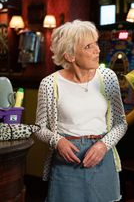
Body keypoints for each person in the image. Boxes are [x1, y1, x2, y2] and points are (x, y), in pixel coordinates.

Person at [35, 20, 127, 202]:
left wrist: (103, 145)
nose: (97, 50)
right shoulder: (49, 84)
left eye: (96, 44)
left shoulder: (108, 77)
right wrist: (57, 141)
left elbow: (120, 123)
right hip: (67, 162)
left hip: (102, 157)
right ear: (70, 56)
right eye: (88, 46)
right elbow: (39, 128)